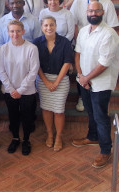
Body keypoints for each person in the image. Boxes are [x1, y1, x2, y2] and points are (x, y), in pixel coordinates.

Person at [72, 1, 119, 169]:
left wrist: (86, 78)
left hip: (101, 83)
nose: (93, 13)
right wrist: (80, 75)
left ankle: (106, 150)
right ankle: (92, 136)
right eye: (90, 10)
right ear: (87, 12)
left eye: (96, 10)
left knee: (100, 116)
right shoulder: (84, 31)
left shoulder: (109, 34)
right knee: (91, 112)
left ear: (102, 12)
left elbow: (104, 63)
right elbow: (77, 54)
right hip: (84, 80)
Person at [70, 0, 119, 112]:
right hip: (82, 41)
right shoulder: (78, 2)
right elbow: (74, 24)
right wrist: (80, 40)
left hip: (101, 43)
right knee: (82, 69)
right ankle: (82, 95)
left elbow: (112, 27)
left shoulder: (107, 3)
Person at [0, 20, 40, 155]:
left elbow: (33, 71)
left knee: (27, 116)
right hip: (9, 91)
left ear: (23, 31)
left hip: (27, 91)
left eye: (18, 31)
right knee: (13, 116)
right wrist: (11, 89)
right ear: (8, 32)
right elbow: (2, 71)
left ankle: (26, 140)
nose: (15, 34)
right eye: (12, 31)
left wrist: (21, 90)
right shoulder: (3, 49)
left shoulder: (31, 48)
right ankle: (15, 138)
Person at [33, 16, 73, 152]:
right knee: (46, 108)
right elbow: (35, 65)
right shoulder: (36, 43)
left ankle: (59, 137)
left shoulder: (65, 42)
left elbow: (67, 62)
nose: (49, 28)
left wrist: (56, 82)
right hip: (42, 79)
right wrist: (45, 81)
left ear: (56, 26)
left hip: (61, 80)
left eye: (51, 25)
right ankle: (50, 134)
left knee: (59, 110)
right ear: (42, 27)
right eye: (46, 25)